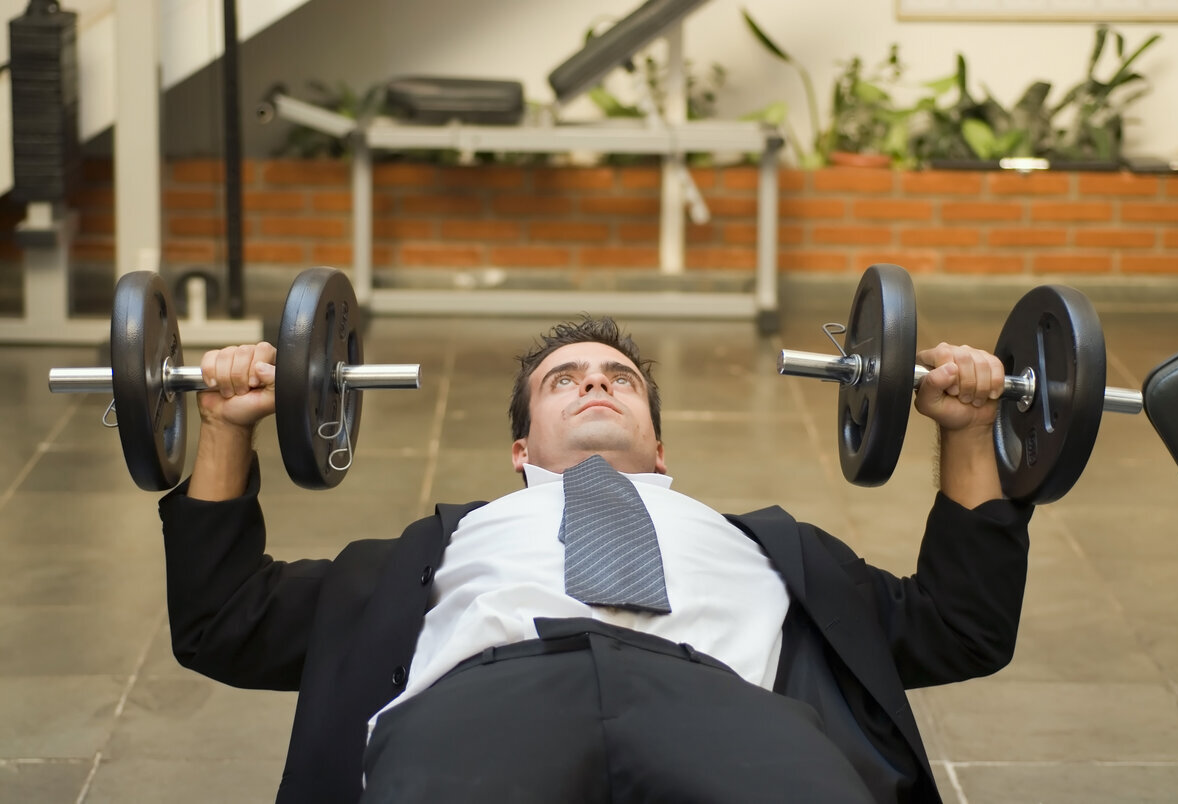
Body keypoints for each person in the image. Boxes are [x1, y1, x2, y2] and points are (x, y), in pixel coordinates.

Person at [159, 316, 1031, 804]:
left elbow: (961, 627)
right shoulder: (430, 554)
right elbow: (224, 623)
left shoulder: (774, 552)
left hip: (726, 713)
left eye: (620, 378)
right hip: (483, 710)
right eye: (563, 379)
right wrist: (222, 423)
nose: (595, 382)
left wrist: (970, 430)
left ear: (658, 445)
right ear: (520, 450)